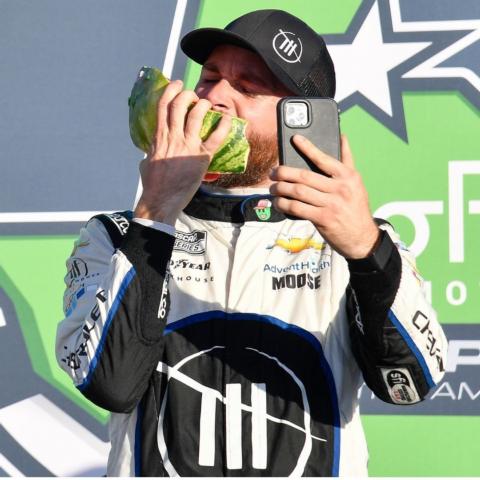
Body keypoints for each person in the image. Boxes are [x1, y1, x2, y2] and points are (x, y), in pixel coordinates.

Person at [56, 9, 447, 477]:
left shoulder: (352, 244)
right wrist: (156, 213)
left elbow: (408, 385)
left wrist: (366, 248)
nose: (214, 97)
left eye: (247, 87)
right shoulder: (118, 234)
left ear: (300, 121)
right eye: (210, 77)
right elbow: (110, 384)